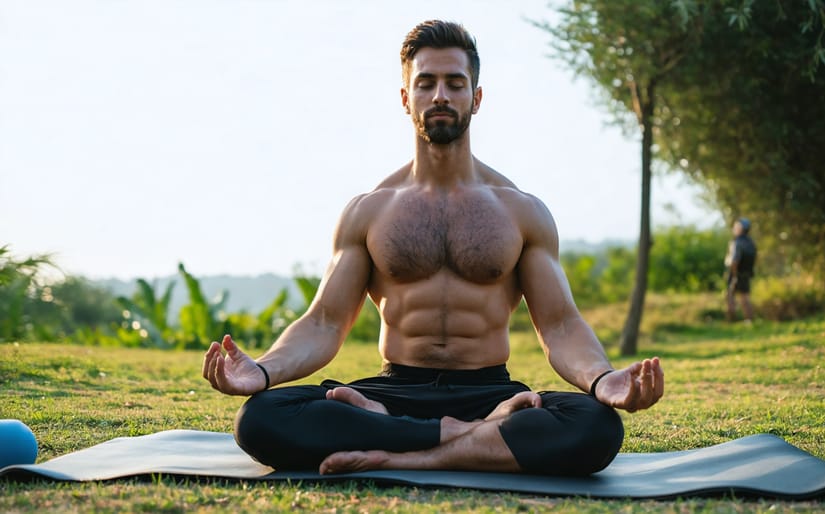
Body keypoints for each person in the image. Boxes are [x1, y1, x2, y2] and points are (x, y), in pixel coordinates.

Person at [202, 19, 664, 477]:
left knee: (595, 426)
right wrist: (262, 372)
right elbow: (324, 322)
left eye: (454, 83)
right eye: (425, 83)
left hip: (488, 390)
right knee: (261, 418)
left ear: (475, 99)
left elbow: (560, 326)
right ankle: (476, 437)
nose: (440, 95)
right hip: (392, 391)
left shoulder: (521, 211)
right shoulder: (370, 210)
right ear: (406, 98)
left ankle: (403, 446)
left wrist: (603, 380)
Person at [724, 217, 757, 322]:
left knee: (730, 296)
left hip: (736, 273)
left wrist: (734, 274)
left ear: (740, 228)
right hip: (747, 273)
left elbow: (734, 260)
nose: (734, 228)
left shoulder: (737, 242)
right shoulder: (751, 242)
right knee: (745, 297)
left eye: (736, 226)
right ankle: (749, 320)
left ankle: (731, 321)